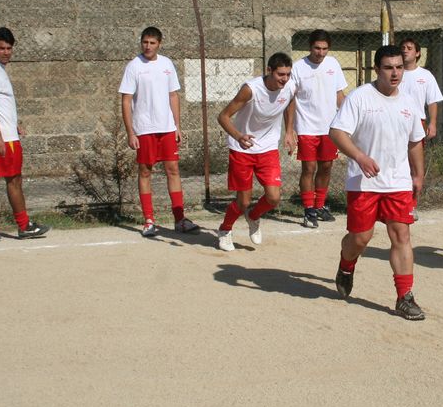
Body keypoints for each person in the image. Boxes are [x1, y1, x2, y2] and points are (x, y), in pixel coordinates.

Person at [330, 44, 426, 320]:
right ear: (376, 69)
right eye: (388, 68)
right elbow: (336, 132)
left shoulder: (409, 102)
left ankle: (405, 297)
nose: (395, 73)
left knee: (401, 236)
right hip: (364, 182)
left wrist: (418, 174)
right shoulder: (360, 98)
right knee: (361, 238)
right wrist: (360, 157)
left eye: (399, 67)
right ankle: (347, 264)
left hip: (398, 182)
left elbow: (415, 141)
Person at [119, 26, 198, 237]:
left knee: (173, 170)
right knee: (145, 172)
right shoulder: (134, 66)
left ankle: (179, 219)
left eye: (152, 43)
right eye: (145, 42)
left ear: (159, 44)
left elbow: (173, 95)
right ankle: (149, 221)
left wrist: (177, 126)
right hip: (144, 129)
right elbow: (126, 101)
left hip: (167, 128)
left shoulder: (167, 64)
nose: (148, 46)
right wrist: (131, 132)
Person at [0, 27, 50, 243]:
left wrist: (13, 124)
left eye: (9, 48)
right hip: (2, 140)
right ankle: (24, 225)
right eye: (1, 48)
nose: (6, 52)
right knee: (14, 180)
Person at [216, 53, 297, 251]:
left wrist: (289, 130)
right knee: (242, 202)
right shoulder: (250, 89)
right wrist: (238, 136)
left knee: (274, 198)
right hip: (242, 149)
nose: (285, 79)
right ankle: (225, 229)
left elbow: (290, 101)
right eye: (280, 74)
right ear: (269, 71)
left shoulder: (290, 87)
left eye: (288, 74)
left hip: (268, 148)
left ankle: (253, 216)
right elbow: (223, 116)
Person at [291, 29, 347, 229]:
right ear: (310, 47)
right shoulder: (298, 67)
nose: (320, 53)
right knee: (309, 168)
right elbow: (290, 99)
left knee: (326, 167)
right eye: (317, 48)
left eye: (324, 49)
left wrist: (348, 119)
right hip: (306, 127)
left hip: (330, 128)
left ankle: (320, 205)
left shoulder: (333, 64)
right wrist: (290, 129)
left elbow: (339, 95)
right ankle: (308, 210)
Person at [399, 37, 443, 220]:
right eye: (403, 47)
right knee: (396, 164)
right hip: (396, 122)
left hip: (417, 124)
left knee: (414, 166)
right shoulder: (395, 73)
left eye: (409, 48)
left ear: (417, 53)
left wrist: (432, 123)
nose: (405, 50)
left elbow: (432, 102)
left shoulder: (425, 75)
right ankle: (395, 204)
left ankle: (411, 205)